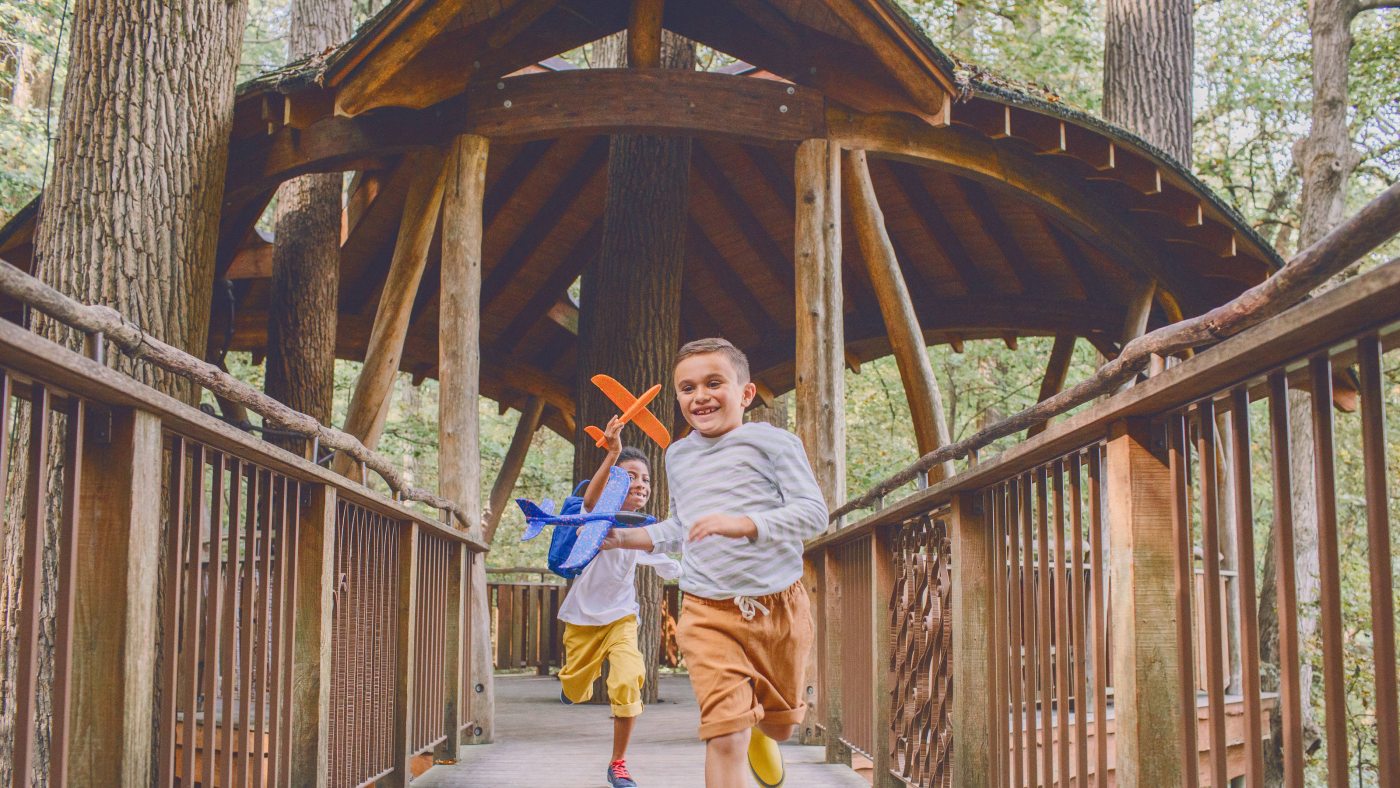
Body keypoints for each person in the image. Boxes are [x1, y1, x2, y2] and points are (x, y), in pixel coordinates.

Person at [602, 338, 827, 788]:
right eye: (687, 388)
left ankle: (763, 726)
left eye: (713, 383)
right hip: (707, 610)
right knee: (725, 736)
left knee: (781, 725)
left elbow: (814, 515)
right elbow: (681, 525)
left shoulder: (773, 443)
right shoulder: (678, 455)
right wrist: (624, 537)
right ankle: (742, 725)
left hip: (778, 607)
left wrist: (743, 523)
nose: (699, 395)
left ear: (745, 393)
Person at [557, 416, 680, 788]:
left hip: (622, 618)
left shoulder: (641, 528)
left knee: (629, 680)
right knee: (578, 692)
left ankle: (618, 763)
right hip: (582, 619)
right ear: (613, 482)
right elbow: (593, 500)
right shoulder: (592, 517)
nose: (640, 484)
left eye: (644, 478)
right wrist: (612, 451)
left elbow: (669, 556)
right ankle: (573, 682)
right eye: (629, 477)